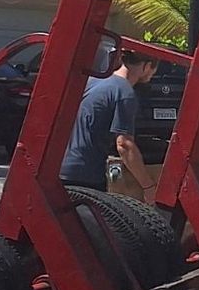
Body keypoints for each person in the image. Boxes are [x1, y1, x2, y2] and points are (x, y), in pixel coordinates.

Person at [61, 46, 158, 193]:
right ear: (147, 66)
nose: (153, 74)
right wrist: (148, 186)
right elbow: (124, 145)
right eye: (154, 69)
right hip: (85, 175)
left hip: (61, 167)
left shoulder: (94, 82)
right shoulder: (125, 92)